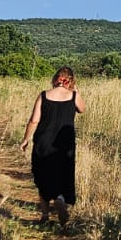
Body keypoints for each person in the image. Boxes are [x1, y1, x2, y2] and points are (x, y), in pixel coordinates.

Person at [21, 67, 86, 228]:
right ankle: (61, 198)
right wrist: (75, 90)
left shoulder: (44, 95)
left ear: (55, 79)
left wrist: (25, 139)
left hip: (43, 140)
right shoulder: (74, 96)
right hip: (65, 144)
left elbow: (34, 120)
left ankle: (45, 215)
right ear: (70, 81)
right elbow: (82, 109)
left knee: (42, 174)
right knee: (63, 173)